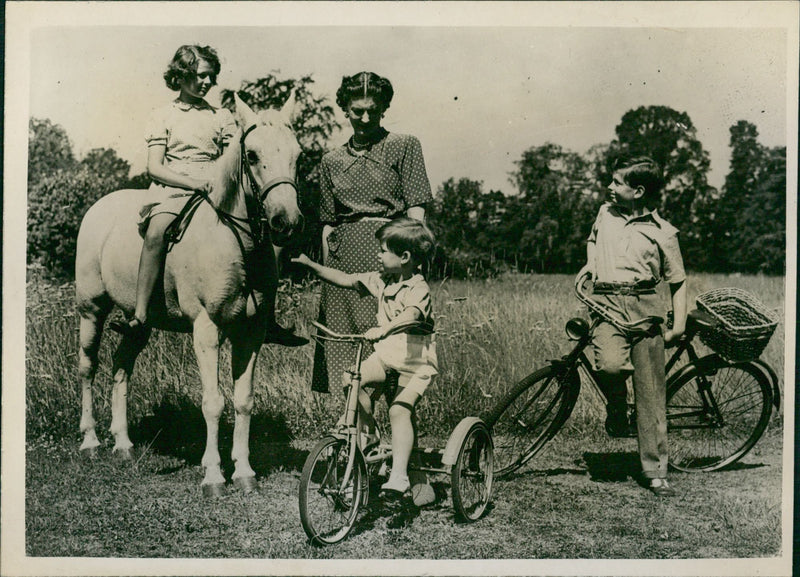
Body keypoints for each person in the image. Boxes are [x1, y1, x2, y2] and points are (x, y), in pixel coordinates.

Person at [109, 44, 304, 346]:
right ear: (180, 75)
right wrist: (191, 183)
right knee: (157, 231)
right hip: (173, 189)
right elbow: (155, 167)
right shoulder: (164, 115)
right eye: (201, 76)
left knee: (263, 237)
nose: (207, 83)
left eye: (211, 77)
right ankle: (141, 314)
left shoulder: (223, 116)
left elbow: (233, 158)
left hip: (216, 188)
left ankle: (268, 319)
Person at [293, 217, 438, 498]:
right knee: (351, 379)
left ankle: (399, 476)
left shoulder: (418, 288)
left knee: (399, 410)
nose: (378, 255)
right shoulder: (382, 280)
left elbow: (412, 315)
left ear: (405, 257)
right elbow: (345, 279)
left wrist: (384, 328)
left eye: (383, 251)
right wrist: (312, 267)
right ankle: (370, 432)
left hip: (415, 362)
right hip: (387, 356)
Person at [311, 71, 434, 394]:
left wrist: (414, 257)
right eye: (357, 110)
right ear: (345, 109)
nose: (365, 117)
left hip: (388, 252)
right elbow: (327, 221)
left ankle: (385, 417)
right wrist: (327, 270)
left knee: (384, 335)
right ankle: (354, 423)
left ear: (384, 108)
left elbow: (416, 207)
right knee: (345, 336)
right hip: (342, 255)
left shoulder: (404, 146)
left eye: (373, 110)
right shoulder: (331, 160)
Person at [579, 157, 687, 497]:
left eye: (617, 182)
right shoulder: (604, 214)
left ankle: (655, 470)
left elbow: (678, 281)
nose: (609, 187)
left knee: (651, 392)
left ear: (638, 191)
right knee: (609, 364)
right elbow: (593, 240)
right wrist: (591, 262)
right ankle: (615, 405)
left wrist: (678, 324)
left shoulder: (664, 232)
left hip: (646, 310)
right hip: (607, 304)